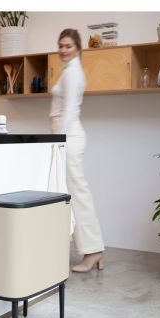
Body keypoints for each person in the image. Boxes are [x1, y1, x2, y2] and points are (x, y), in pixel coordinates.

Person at [50, 28, 104, 272]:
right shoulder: (69, 71)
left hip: (68, 137)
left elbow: (69, 110)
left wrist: (59, 140)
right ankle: (92, 249)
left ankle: (93, 250)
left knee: (77, 194)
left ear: (78, 48)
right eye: (60, 45)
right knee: (72, 193)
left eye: (68, 46)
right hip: (65, 135)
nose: (63, 50)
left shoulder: (73, 72)